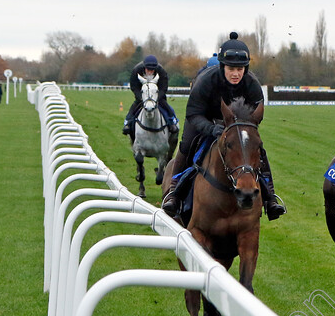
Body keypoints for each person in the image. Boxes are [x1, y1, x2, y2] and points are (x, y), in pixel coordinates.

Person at [161, 32, 286, 220]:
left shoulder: (252, 84)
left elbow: (254, 117)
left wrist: (237, 129)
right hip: (203, 119)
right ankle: (174, 193)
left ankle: (270, 198)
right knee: (187, 145)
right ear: (222, 66)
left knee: (256, 148)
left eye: (240, 69)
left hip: (235, 124)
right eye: (231, 69)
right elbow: (193, 113)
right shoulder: (205, 81)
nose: (236, 74)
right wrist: (211, 129)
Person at [122, 55, 179, 135]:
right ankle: (127, 123)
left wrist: (156, 98)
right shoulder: (136, 70)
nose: (150, 72)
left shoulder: (161, 71)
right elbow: (134, 87)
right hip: (142, 93)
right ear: (144, 67)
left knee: (165, 106)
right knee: (135, 106)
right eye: (148, 69)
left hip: (157, 94)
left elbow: (164, 87)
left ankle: (172, 122)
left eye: (152, 70)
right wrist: (141, 97)